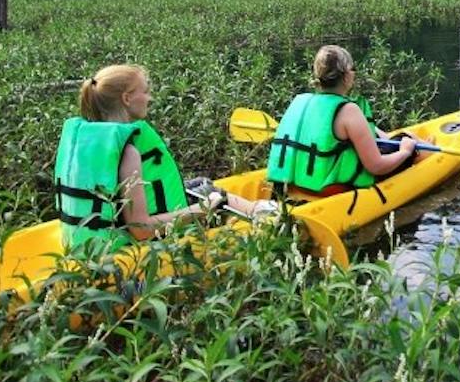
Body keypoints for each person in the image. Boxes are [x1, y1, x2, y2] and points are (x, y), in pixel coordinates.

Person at [54, 63, 274, 251]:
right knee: (213, 196)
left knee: (199, 185)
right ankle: (264, 215)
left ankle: (257, 208)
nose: (149, 98)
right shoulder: (128, 153)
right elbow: (141, 229)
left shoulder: (91, 141)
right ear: (127, 98)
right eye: (145, 91)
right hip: (127, 247)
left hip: (88, 240)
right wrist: (202, 209)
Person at [265, 45, 418, 195]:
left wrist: (376, 131)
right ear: (346, 76)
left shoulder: (303, 101)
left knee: (393, 140)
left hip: (294, 184)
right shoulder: (349, 110)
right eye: (353, 69)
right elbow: (376, 166)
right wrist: (405, 151)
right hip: (329, 189)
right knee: (407, 141)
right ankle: (422, 151)